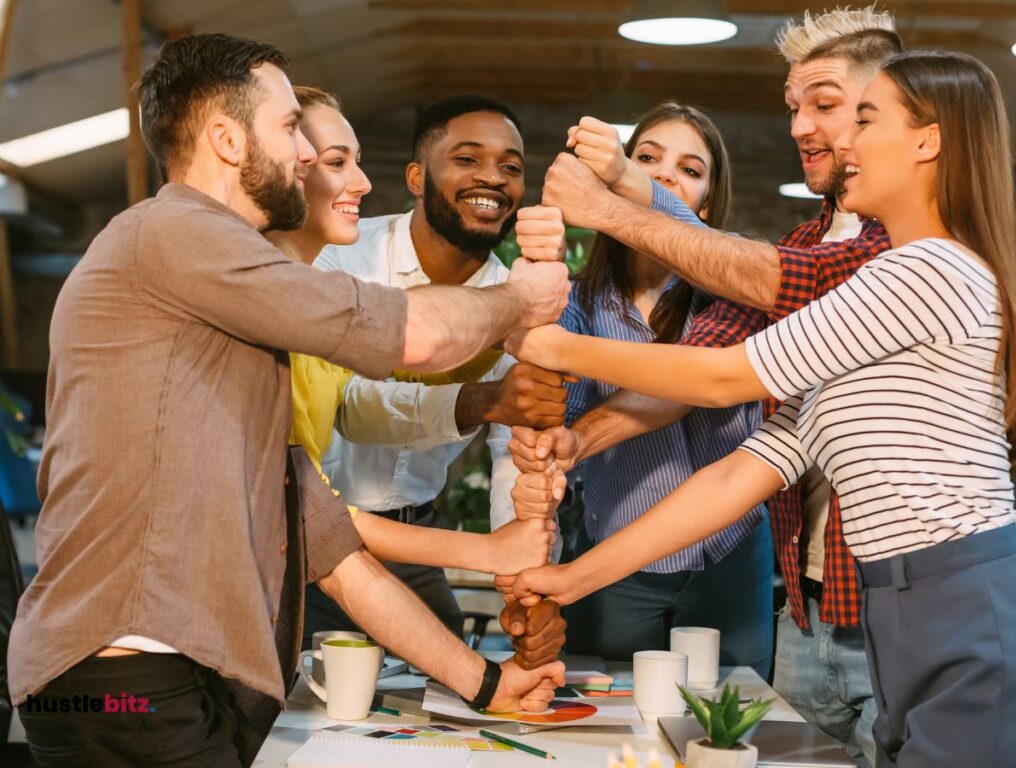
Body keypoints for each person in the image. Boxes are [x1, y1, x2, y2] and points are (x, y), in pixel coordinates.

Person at [8, 34, 566, 768]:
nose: (304, 154)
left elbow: (332, 546)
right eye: (289, 128)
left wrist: (488, 681)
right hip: (123, 685)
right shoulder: (176, 233)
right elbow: (411, 334)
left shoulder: (230, 311)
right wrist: (519, 297)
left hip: (162, 680)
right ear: (226, 138)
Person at [505, 49, 1016, 768]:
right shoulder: (877, 293)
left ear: (928, 141)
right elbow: (736, 477)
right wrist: (572, 578)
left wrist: (557, 345)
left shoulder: (929, 268)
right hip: (900, 604)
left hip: (957, 597)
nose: (843, 141)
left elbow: (724, 378)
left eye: (865, 119)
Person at [267, 86, 558, 584]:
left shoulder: (516, 291)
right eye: (467, 158)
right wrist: (484, 397)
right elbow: (356, 404)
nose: (493, 176)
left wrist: (523, 581)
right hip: (310, 541)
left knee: (452, 653)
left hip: (413, 539)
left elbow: (515, 451)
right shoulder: (334, 255)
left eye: (511, 167)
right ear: (417, 178)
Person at [541, 100, 773, 671]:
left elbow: (690, 384)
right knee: (612, 724)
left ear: (706, 204)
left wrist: (626, 177)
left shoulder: (733, 288)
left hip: (731, 556)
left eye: (690, 171)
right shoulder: (578, 300)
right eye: (647, 158)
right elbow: (556, 410)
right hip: (618, 561)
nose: (666, 175)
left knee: (732, 719)